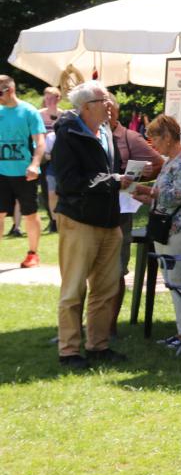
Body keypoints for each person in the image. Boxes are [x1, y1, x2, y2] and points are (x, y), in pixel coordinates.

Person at [51, 80, 132, 368]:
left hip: (109, 222)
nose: (110, 105)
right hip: (79, 220)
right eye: (103, 101)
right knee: (74, 290)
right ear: (86, 107)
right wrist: (111, 181)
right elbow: (69, 182)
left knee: (106, 289)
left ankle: (98, 346)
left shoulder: (106, 132)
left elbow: (109, 173)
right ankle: (69, 351)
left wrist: (123, 180)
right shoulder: (68, 134)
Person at [129, 115, 181, 348]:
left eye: (155, 139)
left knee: (180, 280)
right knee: (173, 281)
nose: (153, 145)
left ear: (168, 137)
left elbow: (178, 195)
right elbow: (164, 195)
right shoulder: (171, 160)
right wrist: (145, 197)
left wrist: (149, 191)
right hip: (167, 228)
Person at [106, 94, 163, 333]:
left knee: (116, 270)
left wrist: (140, 178)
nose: (107, 113)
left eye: (110, 109)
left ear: (117, 111)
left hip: (120, 212)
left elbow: (159, 163)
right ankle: (82, 326)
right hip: (90, 212)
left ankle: (109, 327)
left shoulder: (129, 137)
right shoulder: (88, 135)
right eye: (103, 108)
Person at [0, 74, 47, 268]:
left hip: (25, 173)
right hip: (1, 172)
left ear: (10, 90)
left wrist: (35, 164)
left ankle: (32, 253)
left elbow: (40, 142)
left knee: (30, 213)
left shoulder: (29, 111)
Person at [38, 86, 62, 233]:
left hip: (60, 156)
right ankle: (52, 220)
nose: (49, 101)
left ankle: (59, 219)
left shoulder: (63, 115)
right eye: (46, 98)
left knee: (58, 190)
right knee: (47, 190)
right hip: (44, 156)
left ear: (58, 99)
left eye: (52, 98)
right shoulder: (39, 115)